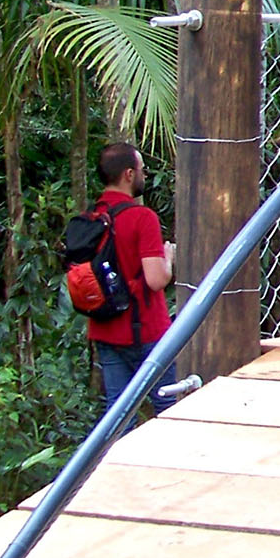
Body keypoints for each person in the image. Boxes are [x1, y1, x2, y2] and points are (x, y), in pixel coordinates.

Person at [86, 142, 179, 421]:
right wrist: (168, 259)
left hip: (104, 329)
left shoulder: (91, 219)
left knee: (117, 412)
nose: (144, 176)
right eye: (142, 170)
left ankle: (112, 463)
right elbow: (155, 279)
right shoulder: (141, 218)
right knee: (167, 406)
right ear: (128, 174)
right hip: (146, 330)